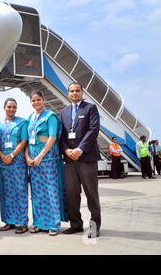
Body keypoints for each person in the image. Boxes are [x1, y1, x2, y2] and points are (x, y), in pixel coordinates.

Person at [60, 83, 101, 238]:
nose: (74, 93)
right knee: (71, 193)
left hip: (86, 158)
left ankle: (94, 227)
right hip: (69, 160)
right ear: (68, 93)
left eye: (77, 90)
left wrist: (80, 149)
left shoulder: (90, 108)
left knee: (91, 193)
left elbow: (93, 130)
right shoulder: (63, 112)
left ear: (82, 92)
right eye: (71, 91)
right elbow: (61, 135)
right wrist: (66, 150)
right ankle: (76, 224)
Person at [25, 90, 68, 236]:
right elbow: (27, 140)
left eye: (38, 99)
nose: (36, 102)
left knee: (50, 191)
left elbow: (52, 138)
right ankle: (39, 223)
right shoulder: (30, 117)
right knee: (37, 193)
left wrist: (40, 156)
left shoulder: (50, 116)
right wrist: (27, 157)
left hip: (47, 158)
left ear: (44, 100)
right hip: (33, 160)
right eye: (33, 100)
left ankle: (53, 224)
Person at [0, 98, 29, 234]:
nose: (11, 109)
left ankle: (22, 222)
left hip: (18, 162)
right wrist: (3, 156)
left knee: (19, 192)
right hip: (3, 163)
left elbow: (24, 141)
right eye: (9, 107)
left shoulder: (22, 122)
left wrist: (12, 155)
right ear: (4, 108)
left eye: (14, 107)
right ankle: (9, 221)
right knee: (6, 192)